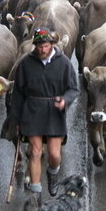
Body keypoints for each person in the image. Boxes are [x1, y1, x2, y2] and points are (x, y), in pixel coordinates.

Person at [8, 28, 79, 199]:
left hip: (54, 112)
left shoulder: (64, 63)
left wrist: (65, 101)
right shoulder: (26, 63)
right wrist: (15, 119)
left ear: (52, 45)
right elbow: (17, 93)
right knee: (35, 152)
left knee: (54, 154)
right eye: (39, 46)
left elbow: (73, 89)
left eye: (45, 46)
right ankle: (35, 192)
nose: (42, 50)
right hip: (32, 110)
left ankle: (52, 172)